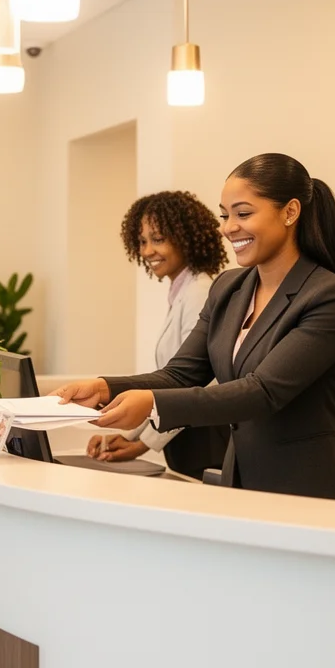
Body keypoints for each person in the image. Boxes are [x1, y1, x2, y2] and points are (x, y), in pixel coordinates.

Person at [55, 153, 335, 502]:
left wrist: (152, 404)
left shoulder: (330, 296)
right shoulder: (229, 289)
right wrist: (104, 388)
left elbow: (262, 392)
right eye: (225, 215)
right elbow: (180, 373)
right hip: (240, 481)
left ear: (290, 212)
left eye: (243, 213)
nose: (228, 227)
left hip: (306, 486)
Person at [86, 191, 230, 478]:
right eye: (142, 241)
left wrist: (142, 444)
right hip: (185, 439)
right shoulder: (182, 291)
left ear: (186, 238)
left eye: (159, 239)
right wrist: (129, 436)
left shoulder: (200, 292)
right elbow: (167, 380)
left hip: (203, 440)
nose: (148, 250)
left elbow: (195, 382)